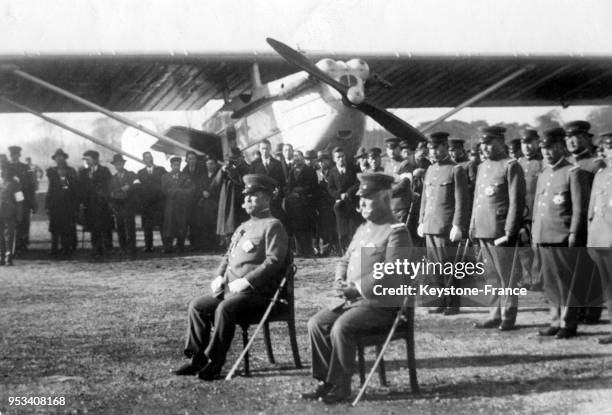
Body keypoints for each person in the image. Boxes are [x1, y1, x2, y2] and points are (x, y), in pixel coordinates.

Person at [303, 173, 412, 404]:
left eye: (367, 198)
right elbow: (344, 259)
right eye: (360, 198)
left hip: (380, 306)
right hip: (352, 301)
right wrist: (338, 281)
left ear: (384, 198)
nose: (360, 203)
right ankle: (327, 382)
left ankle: (342, 388)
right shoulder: (363, 228)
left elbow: (393, 272)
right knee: (316, 323)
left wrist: (358, 288)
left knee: (341, 327)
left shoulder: (396, 231)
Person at [173, 174, 289, 380]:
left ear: (265, 199)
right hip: (230, 290)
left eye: (252, 196)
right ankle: (196, 359)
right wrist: (218, 276)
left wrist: (248, 281)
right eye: (245, 196)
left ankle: (215, 363)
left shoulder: (273, 225)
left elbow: (274, 261)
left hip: (259, 294)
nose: (246, 200)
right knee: (197, 305)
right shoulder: (243, 227)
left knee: (225, 308)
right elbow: (228, 256)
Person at [532, 128, 591, 339]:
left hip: (562, 235)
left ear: (561, 147)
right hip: (544, 235)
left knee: (566, 282)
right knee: (550, 283)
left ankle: (568, 323)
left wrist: (575, 232)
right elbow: (538, 208)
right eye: (544, 149)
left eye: (551, 148)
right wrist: (534, 235)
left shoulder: (573, 173)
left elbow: (579, 208)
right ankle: (555, 320)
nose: (547, 153)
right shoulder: (544, 174)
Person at [470, 126, 526, 331]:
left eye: (490, 142)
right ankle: (494, 314)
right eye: (483, 143)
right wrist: (472, 225)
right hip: (483, 228)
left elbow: (516, 202)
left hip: (500, 231)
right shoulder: (482, 166)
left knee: (507, 276)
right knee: (491, 276)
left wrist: (510, 232)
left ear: (502, 142)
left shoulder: (510, 166)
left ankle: (508, 317)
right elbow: (478, 199)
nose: (485, 147)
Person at [418, 131, 469, 315]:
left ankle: (453, 304)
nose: (433, 152)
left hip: (446, 227)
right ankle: (439, 300)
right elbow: (425, 198)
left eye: (437, 148)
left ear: (445, 147)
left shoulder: (456, 169)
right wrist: (421, 220)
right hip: (430, 225)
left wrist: (458, 225)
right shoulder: (430, 170)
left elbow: (461, 201)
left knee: (449, 266)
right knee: (434, 268)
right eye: (431, 149)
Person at [565, 120, 604, 324]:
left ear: (586, 139)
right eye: (568, 138)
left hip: (590, 224)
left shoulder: (596, 164)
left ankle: (592, 311)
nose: (571, 142)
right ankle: (576, 310)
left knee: (591, 268)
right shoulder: (566, 163)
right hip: (569, 223)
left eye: (576, 137)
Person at [587, 131, 612, 344]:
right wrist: (591, 240)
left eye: (609, 147)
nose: (603, 151)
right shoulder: (601, 174)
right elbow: (592, 212)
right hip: (600, 239)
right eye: (602, 147)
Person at [517, 129, 544, 289]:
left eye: (530, 143)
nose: (526, 146)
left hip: (538, 212)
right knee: (523, 247)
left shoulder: (543, 163)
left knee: (538, 247)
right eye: (523, 143)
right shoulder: (518, 163)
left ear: (537, 143)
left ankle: (538, 279)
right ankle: (526, 278)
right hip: (522, 213)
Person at [79, 150, 114, 259]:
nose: (86, 161)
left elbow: (108, 186)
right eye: (85, 159)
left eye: (88, 159)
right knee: (93, 227)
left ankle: (108, 249)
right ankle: (96, 248)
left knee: (105, 227)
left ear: (95, 159)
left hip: (102, 204)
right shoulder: (83, 172)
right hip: (90, 205)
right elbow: (81, 188)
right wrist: (82, 202)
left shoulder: (104, 171)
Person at [45, 149, 79, 257]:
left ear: (65, 158)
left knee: (67, 228)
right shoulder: (51, 172)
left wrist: (64, 179)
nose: (59, 159)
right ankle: (54, 249)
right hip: (55, 204)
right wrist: (47, 205)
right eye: (57, 157)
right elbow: (50, 189)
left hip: (67, 204)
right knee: (54, 228)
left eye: (61, 157)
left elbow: (73, 187)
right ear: (55, 159)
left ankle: (67, 248)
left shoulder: (71, 171)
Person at [327, 146, 360, 253]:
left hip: (352, 203)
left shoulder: (354, 169)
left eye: (342, 156)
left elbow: (358, 183)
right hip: (340, 205)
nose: (341, 159)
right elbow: (330, 188)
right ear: (334, 159)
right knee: (342, 229)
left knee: (353, 228)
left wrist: (348, 193)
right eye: (338, 157)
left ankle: (355, 250)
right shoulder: (332, 172)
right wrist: (339, 195)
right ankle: (344, 251)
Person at [285, 150, 318, 257]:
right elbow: (289, 185)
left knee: (307, 227)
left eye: (298, 156)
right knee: (297, 227)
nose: (296, 158)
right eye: (294, 156)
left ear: (302, 157)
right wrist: (292, 193)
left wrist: (301, 191)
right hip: (295, 204)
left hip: (306, 202)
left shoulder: (309, 170)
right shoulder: (292, 170)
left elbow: (313, 186)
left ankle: (308, 251)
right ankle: (299, 251)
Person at [217, 148, 250, 247]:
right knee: (228, 223)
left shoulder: (245, 167)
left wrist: (231, 170)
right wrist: (222, 171)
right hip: (227, 197)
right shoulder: (226, 167)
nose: (233, 161)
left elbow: (241, 181)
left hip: (238, 197)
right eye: (230, 159)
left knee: (237, 222)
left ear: (241, 157)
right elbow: (216, 182)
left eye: (235, 158)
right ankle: (229, 245)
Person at [161, 157, 194, 253]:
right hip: (170, 205)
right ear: (171, 165)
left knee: (181, 224)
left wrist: (181, 192)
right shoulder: (165, 176)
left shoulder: (185, 176)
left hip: (182, 205)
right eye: (175, 165)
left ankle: (180, 246)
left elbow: (191, 189)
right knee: (169, 225)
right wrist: (174, 191)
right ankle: (168, 246)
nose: (177, 167)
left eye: (178, 165)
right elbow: (164, 189)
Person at [7, 146, 37, 253]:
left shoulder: (25, 167)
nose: (14, 157)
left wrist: (32, 202)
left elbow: (31, 185)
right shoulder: (6, 167)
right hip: (10, 200)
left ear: (19, 155)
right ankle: (11, 246)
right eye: (12, 155)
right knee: (10, 223)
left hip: (24, 198)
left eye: (16, 155)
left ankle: (23, 244)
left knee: (24, 222)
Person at [135, 152, 166, 252]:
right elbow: (138, 188)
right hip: (147, 204)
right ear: (144, 160)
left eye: (150, 157)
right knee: (147, 226)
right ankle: (148, 246)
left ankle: (165, 246)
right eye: (147, 158)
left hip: (158, 203)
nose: (149, 159)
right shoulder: (140, 173)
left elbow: (166, 183)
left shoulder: (161, 170)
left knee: (162, 225)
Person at [249, 140, 286, 223]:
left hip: (275, 198)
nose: (265, 151)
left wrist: (278, 191)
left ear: (270, 149)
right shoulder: (254, 164)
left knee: (276, 220)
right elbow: (251, 183)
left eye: (266, 148)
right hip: (261, 198)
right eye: (262, 149)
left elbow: (282, 181)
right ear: (259, 149)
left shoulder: (278, 164)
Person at [109, 154, 138, 256]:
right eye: (117, 164)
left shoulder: (131, 175)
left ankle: (131, 248)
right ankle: (123, 247)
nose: (119, 166)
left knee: (130, 226)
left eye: (120, 164)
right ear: (115, 166)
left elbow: (137, 184)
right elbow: (111, 192)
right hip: (118, 205)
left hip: (128, 204)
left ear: (123, 164)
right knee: (120, 226)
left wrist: (129, 187)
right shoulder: (112, 178)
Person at [183, 151, 207, 251]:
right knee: (192, 222)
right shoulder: (185, 169)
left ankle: (202, 244)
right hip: (190, 200)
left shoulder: (202, 168)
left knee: (201, 222)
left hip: (200, 197)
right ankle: (194, 244)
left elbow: (205, 181)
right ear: (186, 160)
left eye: (193, 158)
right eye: (189, 159)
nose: (191, 160)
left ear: (196, 159)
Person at [0, 164, 23, 265]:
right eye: (2, 171)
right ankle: (1, 256)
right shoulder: (1, 183)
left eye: (5, 171)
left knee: (9, 236)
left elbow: (20, 200)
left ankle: (8, 257)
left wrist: (19, 214)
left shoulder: (15, 184)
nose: (3, 173)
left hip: (10, 213)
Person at [314, 150, 336, 256]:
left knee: (332, 225)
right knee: (322, 227)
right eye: (320, 161)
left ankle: (334, 248)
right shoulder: (317, 173)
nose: (322, 163)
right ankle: (324, 248)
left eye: (324, 161)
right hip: (320, 203)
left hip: (331, 202)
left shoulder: (333, 171)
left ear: (329, 161)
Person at [199, 157, 221, 252]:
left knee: (214, 225)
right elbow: (199, 187)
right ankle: (206, 246)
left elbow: (220, 189)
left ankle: (214, 246)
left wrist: (210, 194)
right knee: (205, 225)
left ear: (216, 165)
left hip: (214, 203)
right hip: (204, 204)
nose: (210, 166)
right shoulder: (203, 176)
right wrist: (202, 192)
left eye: (212, 163)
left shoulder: (218, 175)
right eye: (208, 163)